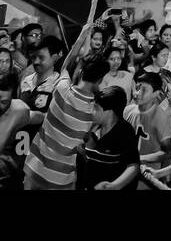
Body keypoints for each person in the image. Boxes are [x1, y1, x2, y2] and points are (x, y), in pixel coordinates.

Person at [23, 56, 110, 190]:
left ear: (81, 72)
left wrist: (80, 57)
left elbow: (65, 65)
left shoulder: (61, 88)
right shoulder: (92, 111)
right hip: (61, 177)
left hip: (35, 167)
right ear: (100, 80)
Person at [76, 87, 140, 190]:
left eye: (96, 108)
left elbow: (133, 166)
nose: (92, 111)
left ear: (110, 111)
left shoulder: (124, 132)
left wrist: (113, 186)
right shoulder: (92, 126)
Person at [126, 71, 171, 180]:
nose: (138, 93)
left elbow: (167, 153)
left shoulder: (161, 119)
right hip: (126, 171)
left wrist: (139, 158)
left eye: (144, 90)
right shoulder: (128, 110)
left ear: (156, 93)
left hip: (148, 174)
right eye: (138, 88)